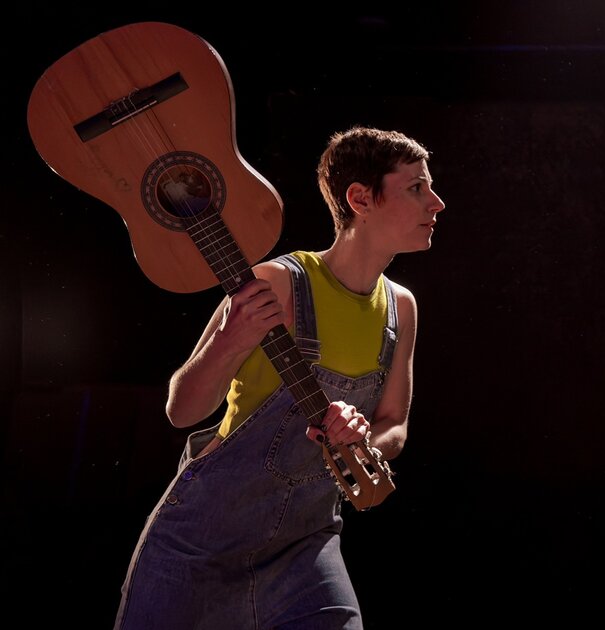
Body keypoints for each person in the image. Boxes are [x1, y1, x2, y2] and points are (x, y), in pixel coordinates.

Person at [115, 126, 446, 628]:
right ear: (360, 199)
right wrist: (230, 340)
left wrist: (361, 437)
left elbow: (394, 424)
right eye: (417, 188)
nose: (437, 203)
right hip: (200, 542)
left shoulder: (401, 307)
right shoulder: (277, 283)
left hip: (305, 546)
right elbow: (182, 410)